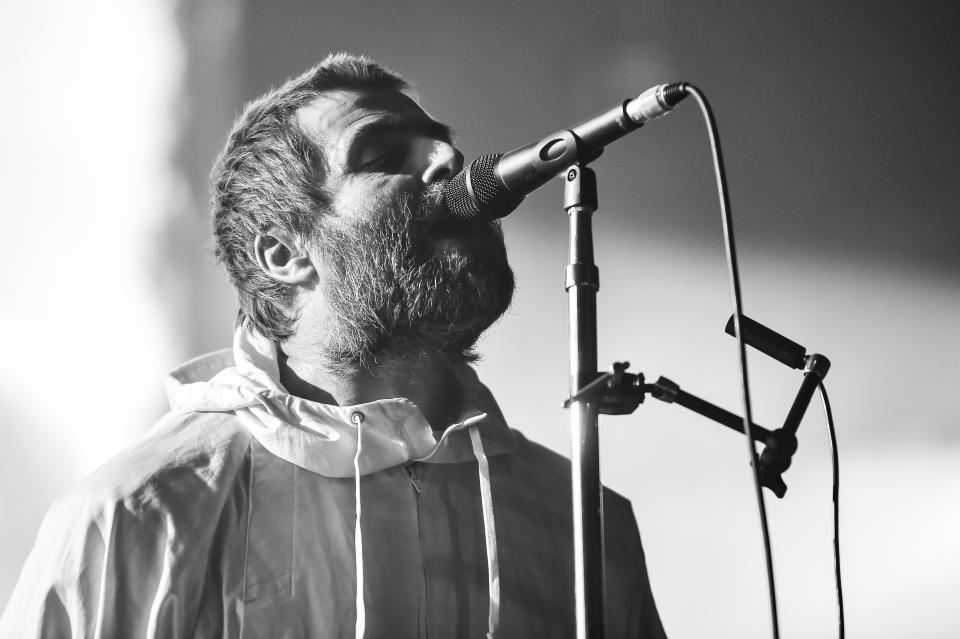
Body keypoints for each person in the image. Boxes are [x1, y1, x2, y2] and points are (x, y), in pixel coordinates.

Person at [0, 53, 666, 638]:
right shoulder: (135, 518)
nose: (450, 161)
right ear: (286, 252)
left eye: (440, 144)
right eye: (381, 155)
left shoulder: (587, 527)